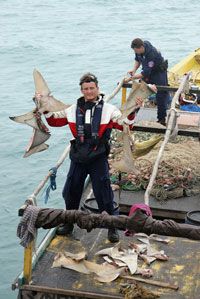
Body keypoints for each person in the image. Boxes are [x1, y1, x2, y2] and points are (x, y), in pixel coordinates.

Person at [39, 73, 138, 243]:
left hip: (98, 157)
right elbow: (54, 121)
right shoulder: (71, 109)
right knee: (70, 191)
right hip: (78, 156)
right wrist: (43, 106)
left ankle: (112, 226)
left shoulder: (109, 110)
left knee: (104, 194)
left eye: (92, 88)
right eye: (86, 89)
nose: (89, 91)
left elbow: (125, 125)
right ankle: (69, 222)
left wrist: (133, 110)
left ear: (97, 89)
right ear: (81, 90)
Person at [127, 38, 169, 126]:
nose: (136, 52)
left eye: (136, 51)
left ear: (141, 47)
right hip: (148, 71)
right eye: (135, 51)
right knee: (138, 90)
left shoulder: (151, 53)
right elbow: (138, 59)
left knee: (161, 94)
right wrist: (134, 70)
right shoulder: (138, 48)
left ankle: (161, 119)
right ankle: (132, 115)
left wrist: (132, 78)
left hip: (158, 73)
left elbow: (145, 73)